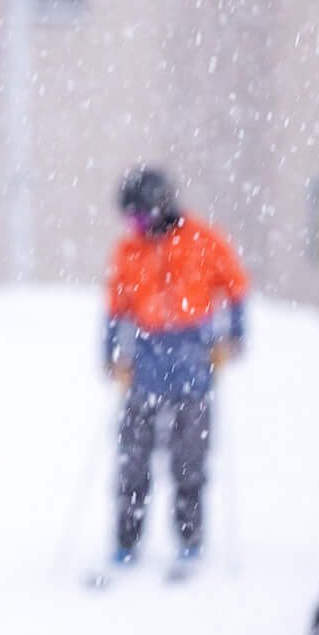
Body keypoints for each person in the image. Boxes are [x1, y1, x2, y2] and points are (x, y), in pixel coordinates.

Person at [101, 166, 247, 583]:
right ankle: (126, 542)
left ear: (159, 206)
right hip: (145, 363)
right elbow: (115, 309)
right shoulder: (129, 252)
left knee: (189, 460)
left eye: (139, 217)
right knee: (133, 460)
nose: (135, 227)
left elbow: (235, 289)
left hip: (192, 362)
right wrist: (113, 356)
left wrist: (232, 338)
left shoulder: (204, 240)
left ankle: (189, 540)